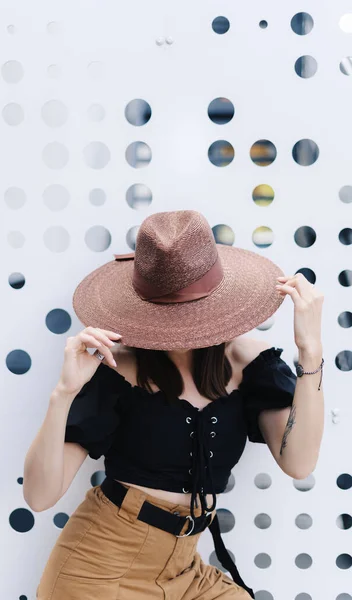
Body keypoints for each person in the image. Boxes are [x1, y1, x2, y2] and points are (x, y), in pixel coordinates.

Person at [24, 210, 324, 600]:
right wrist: (63, 393)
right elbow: (39, 496)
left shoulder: (252, 365)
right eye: (168, 312)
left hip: (185, 570)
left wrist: (310, 351)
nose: (180, 326)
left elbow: (299, 463)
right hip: (100, 570)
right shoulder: (119, 370)